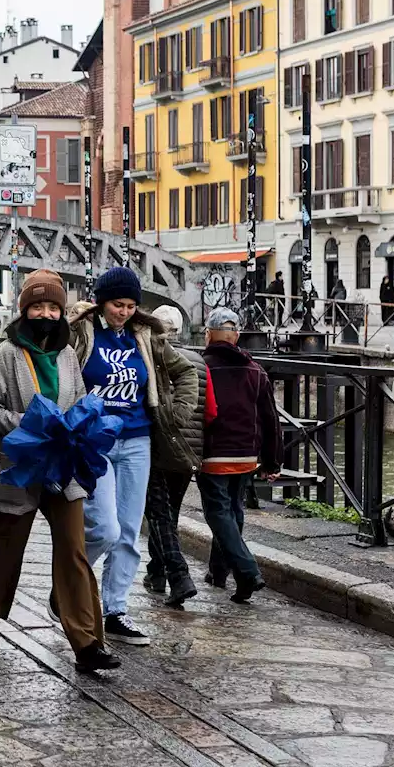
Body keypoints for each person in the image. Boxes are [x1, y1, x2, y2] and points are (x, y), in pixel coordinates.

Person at [0, 270, 120, 673]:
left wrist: (82, 422)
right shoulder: (6, 354)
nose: (47, 313)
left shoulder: (68, 354)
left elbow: (82, 399)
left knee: (74, 549)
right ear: (25, 309)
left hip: (63, 465)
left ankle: (87, 643)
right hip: (18, 467)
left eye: (53, 306)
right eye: (38, 306)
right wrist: (30, 424)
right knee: (7, 544)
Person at [67, 267, 198, 646]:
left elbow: (185, 371)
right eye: (116, 304)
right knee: (104, 528)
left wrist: (176, 414)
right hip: (97, 440)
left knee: (128, 531)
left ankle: (115, 610)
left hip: (138, 440)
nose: (123, 312)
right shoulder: (83, 332)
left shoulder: (146, 336)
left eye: (129, 305)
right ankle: (67, 585)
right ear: (101, 302)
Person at [198, 308, 282, 601]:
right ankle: (217, 572)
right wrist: (272, 461)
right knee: (233, 510)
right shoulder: (256, 371)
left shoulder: (201, 366)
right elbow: (270, 419)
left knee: (218, 512)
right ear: (237, 338)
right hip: (247, 454)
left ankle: (246, 572)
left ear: (209, 335)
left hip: (213, 453)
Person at [143, 305, 206, 607]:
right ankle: (157, 571)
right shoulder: (201, 360)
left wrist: (173, 418)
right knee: (167, 513)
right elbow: (211, 410)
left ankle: (177, 575)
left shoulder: (157, 353)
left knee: (158, 512)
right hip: (189, 450)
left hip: (161, 443)